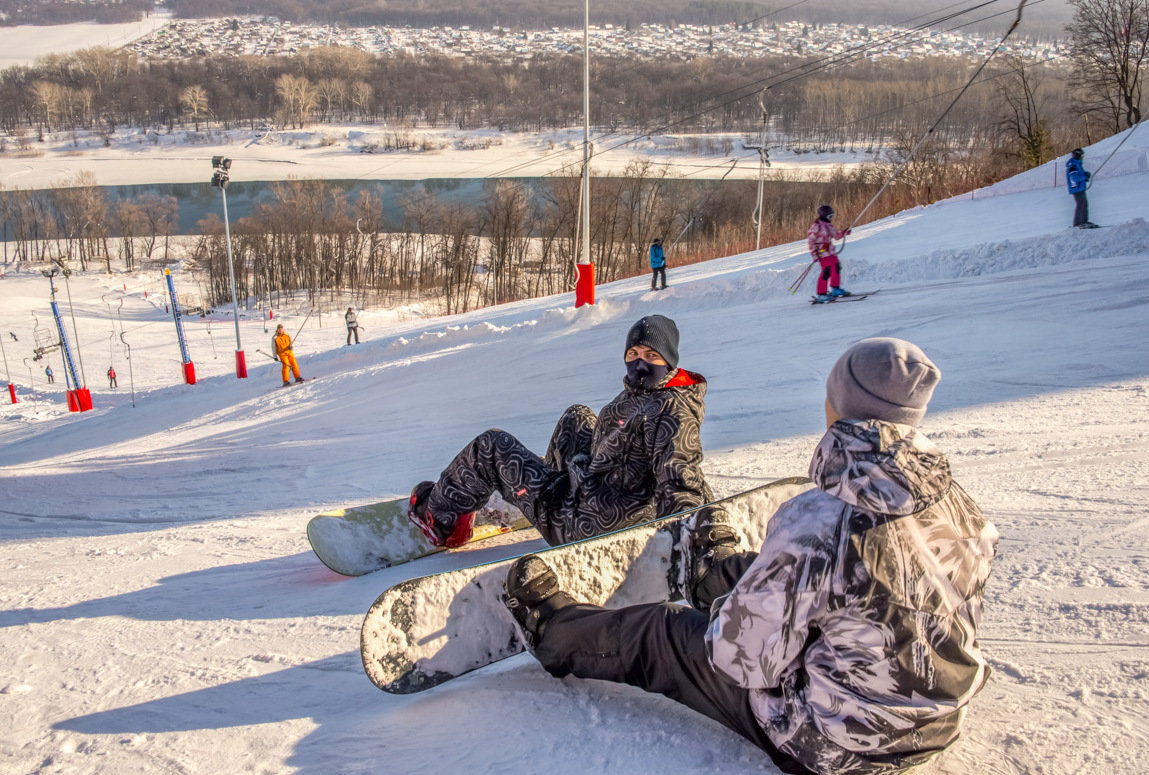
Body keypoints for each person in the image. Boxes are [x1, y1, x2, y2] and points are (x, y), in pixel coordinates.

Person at [503, 337, 998, 775]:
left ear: (840, 409)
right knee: (786, 575)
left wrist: (724, 616)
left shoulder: (819, 520)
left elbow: (741, 662)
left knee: (665, 632)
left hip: (838, 741)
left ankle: (555, 630)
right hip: (936, 720)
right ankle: (714, 572)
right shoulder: (960, 505)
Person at [409, 314, 717, 548]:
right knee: (578, 417)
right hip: (602, 499)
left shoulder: (670, 410)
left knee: (490, 446)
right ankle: (531, 492)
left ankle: (443, 521)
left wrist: (696, 542)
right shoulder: (651, 394)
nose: (639, 363)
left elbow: (680, 478)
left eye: (651, 356)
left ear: (669, 361)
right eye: (633, 353)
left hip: (585, 524)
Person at [807, 205, 851, 302]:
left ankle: (835, 288)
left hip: (830, 251)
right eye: (829, 217)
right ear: (823, 216)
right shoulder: (816, 227)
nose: (831, 219)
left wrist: (844, 232)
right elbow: (811, 241)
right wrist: (814, 254)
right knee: (826, 271)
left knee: (836, 267)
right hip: (821, 252)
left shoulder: (829, 225)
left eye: (832, 216)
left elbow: (836, 236)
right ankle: (821, 294)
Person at [1066, 148, 1098, 229]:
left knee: (1084, 203)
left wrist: (1085, 175)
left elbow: (1079, 174)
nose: (1082, 157)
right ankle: (1078, 223)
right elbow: (1074, 177)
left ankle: (1084, 221)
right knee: (1080, 204)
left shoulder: (1077, 164)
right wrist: (1084, 176)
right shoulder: (1073, 165)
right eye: (1082, 155)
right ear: (1078, 155)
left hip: (1080, 188)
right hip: (1076, 188)